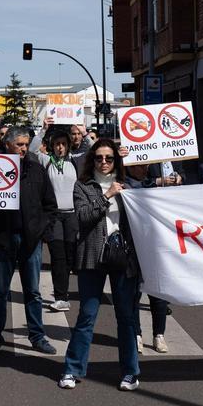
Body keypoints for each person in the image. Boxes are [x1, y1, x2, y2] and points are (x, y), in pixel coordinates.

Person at [59, 139, 141, 391]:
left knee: (126, 317)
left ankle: (130, 372)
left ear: (116, 160)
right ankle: (72, 369)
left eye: (109, 158)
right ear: (91, 160)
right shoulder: (83, 186)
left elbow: (151, 194)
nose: (103, 163)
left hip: (122, 256)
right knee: (87, 315)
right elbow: (84, 218)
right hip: (92, 257)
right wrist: (106, 196)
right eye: (98, 158)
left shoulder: (129, 185)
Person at [0, 127, 58, 357]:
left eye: (26, 144)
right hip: (2, 240)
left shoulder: (36, 169)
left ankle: (37, 336)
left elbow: (50, 205)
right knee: (0, 292)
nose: (25, 148)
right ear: (8, 145)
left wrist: (42, 232)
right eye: (20, 145)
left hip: (30, 240)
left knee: (33, 292)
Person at [124, 163, 177, 353]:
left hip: (154, 247)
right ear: (129, 168)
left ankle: (159, 335)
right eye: (139, 166)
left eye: (146, 166)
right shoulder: (123, 188)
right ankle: (136, 334)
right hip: (132, 248)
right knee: (134, 295)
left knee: (158, 294)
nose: (144, 169)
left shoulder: (153, 187)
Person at [30, 123, 79, 312]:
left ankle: (63, 292)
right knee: (57, 256)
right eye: (57, 144)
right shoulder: (46, 160)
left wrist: (82, 131)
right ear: (52, 145)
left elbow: (91, 149)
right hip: (54, 217)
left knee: (69, 256)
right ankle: (61, 297)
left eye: (63, 144)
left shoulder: (74, 161)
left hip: (72, 216)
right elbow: (33, 149)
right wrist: (43, 130)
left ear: (68, 146)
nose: (60, 147)